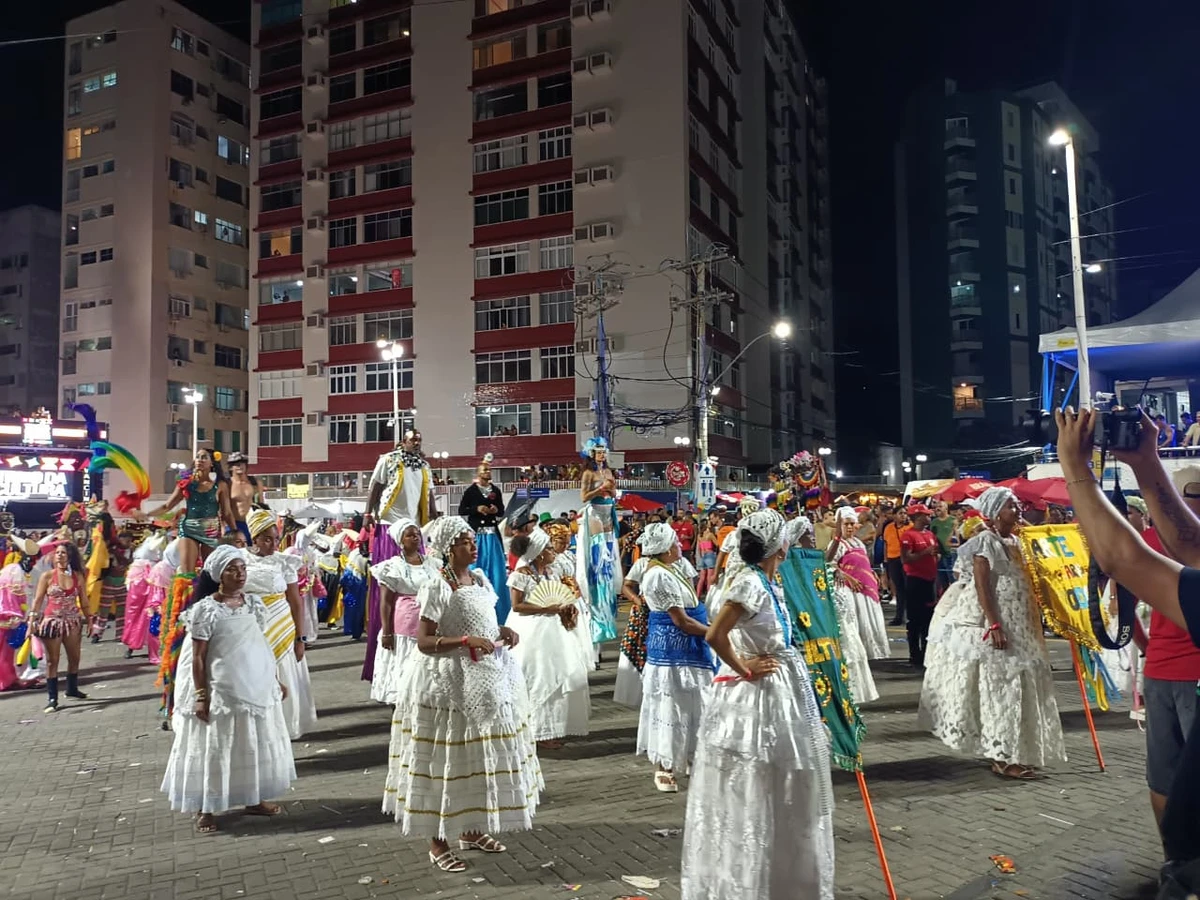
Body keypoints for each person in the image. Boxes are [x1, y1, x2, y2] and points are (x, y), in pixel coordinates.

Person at [1056, 407, 1200, 878]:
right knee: (1162, 771)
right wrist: (1144, 461)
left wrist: (1076, 468)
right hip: (1163, 671)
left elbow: (1122, 558)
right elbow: (1191, 546)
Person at [681, 509, 835, 899]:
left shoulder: (766, 581)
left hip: (781, 690)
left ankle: (783, 879)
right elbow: (716, 634)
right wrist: (743, 667)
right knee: (761, 783)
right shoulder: (748, 583)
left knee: (786, 783)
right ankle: (756, 882)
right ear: (779, 545)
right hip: (760, 699)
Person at [384, 516, 541, 873]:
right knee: (444, 761)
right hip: (446, 685)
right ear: (447, 548)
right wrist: (465, 642)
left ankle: (470, 829)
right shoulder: (437, 585)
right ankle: (438, 841)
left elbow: (485, 623)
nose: (473, 547)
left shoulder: (482, 579)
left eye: (473, 541)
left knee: (475, 759)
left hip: (486, 677)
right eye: (465, 542)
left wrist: (503, 631)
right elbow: (424, 642)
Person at [918, 487, 1066, 778]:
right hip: (1002, 622)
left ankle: (1020, 751)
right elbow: (983, 587)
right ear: (996, 512)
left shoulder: (1018, 540)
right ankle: (1002, 757)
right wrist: (994, 624)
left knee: (1025, 684)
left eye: (1017, 505)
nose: (1019, 510)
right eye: (1012, 506)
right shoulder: (985, 542)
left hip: (1025, 623)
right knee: (1004, 688)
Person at [160, 545, 296, 833]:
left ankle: (253, 798)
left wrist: (274, 679)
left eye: (242, 568)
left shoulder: (254, 605)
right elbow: (197, 657)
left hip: (254, 685)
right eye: (233, 569)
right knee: (215, 745)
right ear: (219, 575)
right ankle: (206, 807)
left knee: (250, 742)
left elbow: (261, 645)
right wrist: (200, 696)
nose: (240, 574)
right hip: (220, 689)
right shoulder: (205, 610)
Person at [1137, 467, 1200, 851]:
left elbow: (1121, 598)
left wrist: (1145, 645)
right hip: (1193, 671)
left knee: (1162, 774)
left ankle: (1173, 859)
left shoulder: (1148, 539)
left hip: (1159, 667)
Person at [635, 523, 714, 792]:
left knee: (694, 705)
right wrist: (714, 633)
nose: (681, 545)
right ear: (668, 548)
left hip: (689, 649)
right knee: (671, 706)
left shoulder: (672, 569)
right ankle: (664, 766)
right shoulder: (658, 576)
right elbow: (680, 620)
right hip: (673, 652)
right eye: (677, 542)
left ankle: (691, 756)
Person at [362, 429, 439, 683]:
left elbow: (428, 497)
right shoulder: (389, 459)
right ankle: (382, 646)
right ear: (402, 441)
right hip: (389, 526)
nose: (416, 442)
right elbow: (376, 486)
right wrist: (367, 514)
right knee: (386, 589)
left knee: (422, 586)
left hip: (414, 528)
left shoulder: (425, 466)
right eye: (412, 439)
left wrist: (435, 516)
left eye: (419, 438)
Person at [508, 529, 591, 748]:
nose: (553, 551)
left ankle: (554, 727)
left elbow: (563, 596)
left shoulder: (552, 573)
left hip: (556, 629)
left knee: (560, 677)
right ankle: (537, 730)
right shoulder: (521, 575)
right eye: (548, 548)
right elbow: (517, 606)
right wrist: (547, 607)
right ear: (538, 553)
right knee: (540, 678)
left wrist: (567, 609)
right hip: (533, 632)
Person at [244, 509, 318, 740]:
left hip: (283, 628)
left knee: (284, 674)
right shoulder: (240, 560)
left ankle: (284, 729)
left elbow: (296, 602)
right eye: (267, 539)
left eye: (276, 539)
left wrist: (300, 638)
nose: (273, 544)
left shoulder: (285, 563)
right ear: (254, 538)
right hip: (252, 629)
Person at [370, 518, 438, 705]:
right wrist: (386, 632)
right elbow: (385, 602)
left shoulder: (433, 563)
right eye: (410, 535)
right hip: (404, 629)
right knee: (404, 670)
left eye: (417, 534)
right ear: (400, 540)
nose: (415, 538)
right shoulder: (392, 567)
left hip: (430, 623)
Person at [138, 449, 237, 576]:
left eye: (204, 457)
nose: (199, 460)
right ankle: (188, 595)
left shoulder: (220, 485)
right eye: (198, 457)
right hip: (189, 529)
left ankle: (205, 594)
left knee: (210, 573)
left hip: (211, 531)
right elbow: (167, 505)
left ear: (212, 463)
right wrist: (147, 514)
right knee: (187, 574)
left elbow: (227, 513)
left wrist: (235, 533)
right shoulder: (185, 484)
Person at [27, 542, 90, 713]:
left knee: (74, 658)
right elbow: (38, 600)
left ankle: (72, 689)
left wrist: (90, 620)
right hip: (52, 622)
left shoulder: (78, 576)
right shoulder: (47, 576)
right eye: (58, 553)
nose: (60, 555)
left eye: (63, 553)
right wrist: (32, 622)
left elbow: (84, 601)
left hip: (72, 622)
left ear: (70, 556)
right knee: (52, 661)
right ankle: (52, 698)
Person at [577, 437, 622, 649]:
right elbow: (584, 497)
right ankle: (597, 607)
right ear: (592, 454)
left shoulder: (609, 472)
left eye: (604, 451)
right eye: (598, 452)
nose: (602, 455)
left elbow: (615, 495)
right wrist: (599, 489)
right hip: (594, 512)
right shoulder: (588, 473)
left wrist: (612, 491)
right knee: (597, 559)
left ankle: (608, 606)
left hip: (608, 512)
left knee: (609, 557)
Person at [827, 506, 889, 660]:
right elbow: (830, 564)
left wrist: (871, 573)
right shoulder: (837, 544)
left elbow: (864, 561)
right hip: (848, 590)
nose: (849, 527)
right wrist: (849, 578)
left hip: (864, 589)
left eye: (851, 524)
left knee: (867, 619)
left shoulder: (858, 543)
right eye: (845, 524)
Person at [458, 454, 508, 622]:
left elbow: (502, 510)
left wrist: (495, 510)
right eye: (485, 470)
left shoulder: (495, 490)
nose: (488, 472)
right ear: (478, 473)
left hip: (492, 535)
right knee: (477, 568)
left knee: (496, 572)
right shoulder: (471, 491)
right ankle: (475, 609)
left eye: (489, 469)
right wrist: (476, 508)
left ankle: (499, 613)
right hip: (477, 536)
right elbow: (462, 510)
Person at [0, 537, 43, 691]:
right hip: (10, 617)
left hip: (30, 617)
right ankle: (7, 679)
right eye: (28, 558)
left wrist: (37, 613)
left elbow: (39, 595)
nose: (31, 562)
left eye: (33, 559)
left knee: (32, 648)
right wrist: (13, 614)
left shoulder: (37, 573)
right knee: (6, 651)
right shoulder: (10, 571)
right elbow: (5, 596)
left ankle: (30, 677)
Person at [900, 504, 939, 668]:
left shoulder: (930, 534)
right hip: (915, 580)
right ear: (917, 517)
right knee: (915, 619)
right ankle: (914, 654)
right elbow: (906, 559)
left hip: (930, 580)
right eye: (926, 515)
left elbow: (935, 552)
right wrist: (925, 552)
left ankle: (925, 652)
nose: (929, 517)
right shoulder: (908, 535)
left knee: (928, 619)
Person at [121, 532, 169, 661]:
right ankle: (133, 644)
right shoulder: (154, 541)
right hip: (145, 580)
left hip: (151, 578)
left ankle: (148, 647)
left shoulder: (159, 540)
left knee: (150, 615)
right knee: (140, 614)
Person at [882, 507, 910, 624]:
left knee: (908, 588)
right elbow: (886, 544)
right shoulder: (888, 528)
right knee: (899, 589)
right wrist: (886, 560)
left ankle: (910, 615)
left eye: (905, 513)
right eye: (900, 513)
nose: (903, 516)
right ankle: (899, 617)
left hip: (906, 560)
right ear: (894, 515)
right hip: (892, 559)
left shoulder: (910, 527)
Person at [225, 452, 260, 543]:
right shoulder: (227, 484)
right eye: (236, 464)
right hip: (234, 524)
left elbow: (261, 505)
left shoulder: (255, 482)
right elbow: (223, 509)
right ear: (231, 467)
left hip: (253, 524)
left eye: (242, 463)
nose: (240, 466)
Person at [931, 501, 957, 592]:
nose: (937, 508)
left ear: (946, 509)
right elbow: (932, 537)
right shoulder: (933, 522)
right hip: (939, 555)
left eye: (940, 506)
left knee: (952, 579)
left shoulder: (953, 520)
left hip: (950, 554)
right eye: (936, 507)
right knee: (942, 580)